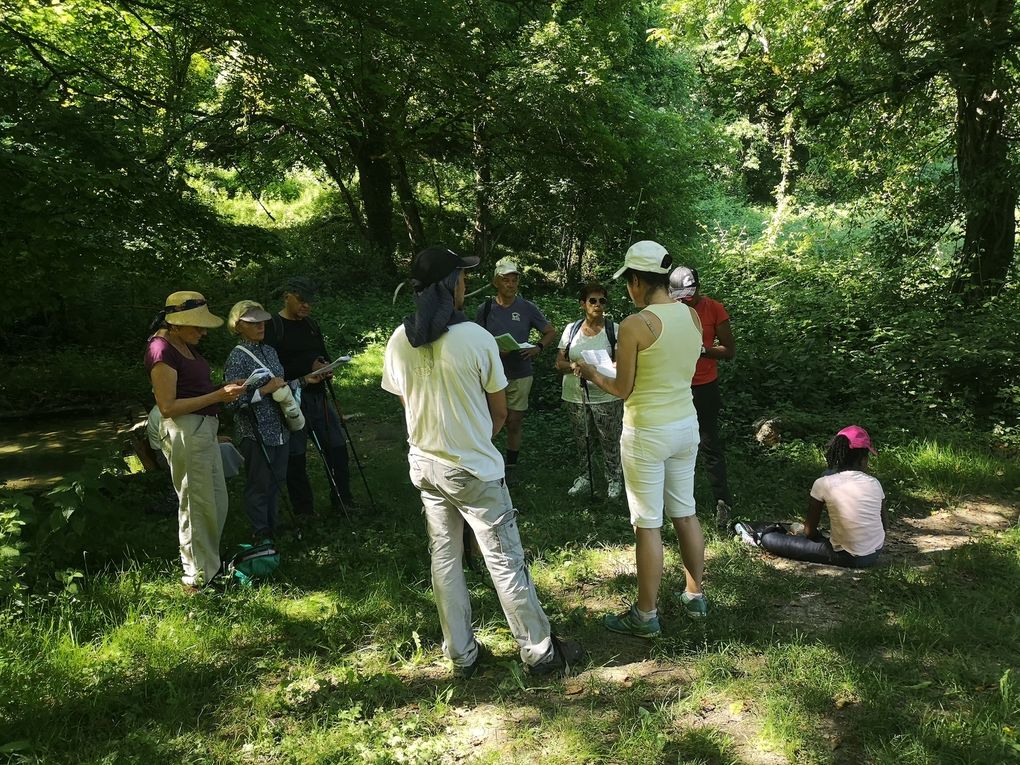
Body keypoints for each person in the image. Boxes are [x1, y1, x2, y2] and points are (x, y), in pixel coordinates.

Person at [383, 244, 583, 678]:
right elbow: (499, 414)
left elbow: (407, 407)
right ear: (450, 284)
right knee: (504, 559)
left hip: (426, 465)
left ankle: (460, 654)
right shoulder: (476, 338)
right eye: (462, 277)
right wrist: (472, 439)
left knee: (445, 558)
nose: (466, 283)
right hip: (473, 470)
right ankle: (540, 653)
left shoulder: (399, 339)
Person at [574, 241, 708, 637]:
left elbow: (622, 388)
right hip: (686, 425)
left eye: (628, 284)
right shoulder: (692, 317)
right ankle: (695, 594)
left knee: (647, 524)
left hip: (647, 431)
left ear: (636, 281)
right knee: (685, 511)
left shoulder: (636, 325)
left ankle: (646, 615)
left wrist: (591, 372)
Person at [144, 291, 244, 590]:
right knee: (196, 504)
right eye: (196, 326)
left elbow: (192, 391)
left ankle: (210, 565)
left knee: (215, 501)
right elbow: (168, 407)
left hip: (203, 429)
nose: (202, 331)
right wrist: (218, 396)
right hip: (184, 431)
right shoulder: (161, 349)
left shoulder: (182, 344)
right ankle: (198, 578)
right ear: (176, 323)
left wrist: (222, 389)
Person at [264, 276, 354, 517]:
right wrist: (307, 368)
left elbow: (321, 354)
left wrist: (325, 367)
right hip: (290, 400)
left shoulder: (311, 325)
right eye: (302, 301)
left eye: (310, 302)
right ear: (287, 297)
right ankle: (304, 512)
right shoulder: (273, 327)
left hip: (318, 397)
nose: (306, 306)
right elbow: (271, 369)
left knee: (337, 448)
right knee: (296, 458)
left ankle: (343, 502)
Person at [736, 426, 887, 568]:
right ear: (863, 459)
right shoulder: (875, 483)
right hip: (875, 552)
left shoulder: (824, 483)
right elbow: (884, 526)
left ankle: (759, 537)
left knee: (771, 539)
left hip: (848, 557)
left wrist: (818, 537)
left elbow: (808, 532)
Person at [669, 266, 736, 531]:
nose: (686, 299)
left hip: (704, 386)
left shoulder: (714, 308)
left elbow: (729, 350)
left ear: (698, 287)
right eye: (680, 295)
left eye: (690, 293)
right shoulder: (670, 309)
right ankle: (675, 504)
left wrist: (703, 351)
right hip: (674, 386)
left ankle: (723, 502)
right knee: (673, 444)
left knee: (709, 443)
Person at [474, 259, 557, 472]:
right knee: (488, 420)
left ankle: (511, 466)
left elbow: (549, 331)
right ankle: (486, 462)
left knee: (514, 421)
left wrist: (537, 347)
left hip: (520, 373)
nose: (511, 285)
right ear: (496, 283)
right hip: (491, 373)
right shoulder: (485, 309)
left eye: (514, 280)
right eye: (506, 281)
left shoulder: (527, 308)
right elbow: (474, 340)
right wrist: (492, 350)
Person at [223, 300, 290, 541]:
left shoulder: (270, 351)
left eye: (262, 320)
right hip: (256, 431)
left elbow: (280, 385)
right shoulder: (237, 358)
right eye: (253, 322)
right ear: (238, 326)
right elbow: (230, 402)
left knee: (277, 480)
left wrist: (301, 382)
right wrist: (264, 391)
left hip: (281, 428)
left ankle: (273, 526)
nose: (261, 326)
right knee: (259, 484)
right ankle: (261, 532)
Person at [554, 283, 624, 500]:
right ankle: (586, 477)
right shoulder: (571, 330)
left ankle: (614, 479)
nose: (598, 305)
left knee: (610, 439)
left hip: (606, 395)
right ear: (582, 304)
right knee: (582, 440)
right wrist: (575, 367)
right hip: (576, 396)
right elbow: (559, 363)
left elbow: (622, 363)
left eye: (602, 301)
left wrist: (599, 369)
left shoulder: (615, 329)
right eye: (593, 300)